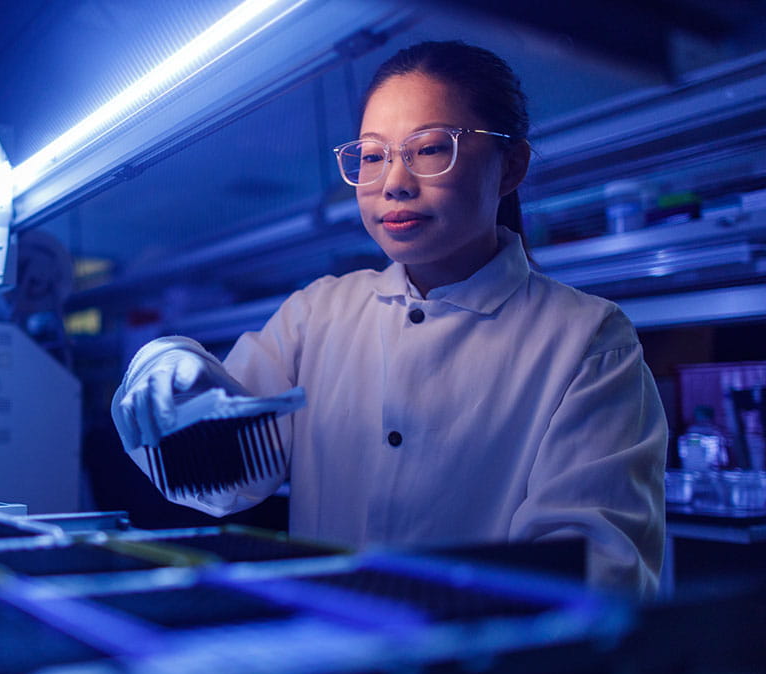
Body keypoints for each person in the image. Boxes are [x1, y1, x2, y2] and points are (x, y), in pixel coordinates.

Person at [111, 41, 667, 596]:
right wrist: (164, 364)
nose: (394, 183)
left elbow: (592, 573)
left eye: (428, 150)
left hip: (484, 671)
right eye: (373, 156)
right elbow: (225, 481)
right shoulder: (318, 314)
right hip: (336, 656)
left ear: (510, 167)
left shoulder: (587, 340)